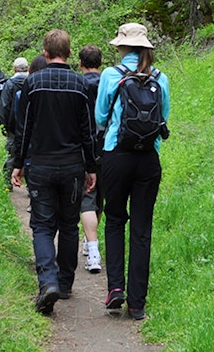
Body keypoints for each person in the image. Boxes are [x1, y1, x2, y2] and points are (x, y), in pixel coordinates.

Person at [11, 29, 96, 315]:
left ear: (45, 53)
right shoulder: (79, 84)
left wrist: (18, 163)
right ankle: (66, 282)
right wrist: (91, 166)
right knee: (70, 225)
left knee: (43, 225)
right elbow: (87, 132)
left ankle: (48, 282)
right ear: (70, 53)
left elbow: (24, 130)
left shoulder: (32, 83)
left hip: (42, 164)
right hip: (72, 165)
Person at [95, 23, 170, 320]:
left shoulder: (111, 75)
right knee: (141, 229)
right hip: (148, 160)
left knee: (114, 220)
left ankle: (115, 289)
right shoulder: (160, 78)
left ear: (121, 47)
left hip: (116, 156)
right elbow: (162, 119)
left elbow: (101, 115)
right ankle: (137, 303)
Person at [78, 44, 104, 274]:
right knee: (100, 196)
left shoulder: (77, 84)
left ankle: (92, 250)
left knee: (88, 196)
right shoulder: (110, 82)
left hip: (83, 147)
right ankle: (90, 241)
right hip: (108, 146)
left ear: (80, 63)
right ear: (101, 62)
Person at [0, 57, 29, 186]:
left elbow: (4, 106)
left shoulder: (10, 83)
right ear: (27, 68)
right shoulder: (31, 81)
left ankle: (8, 182)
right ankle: (30, 187)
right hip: (29, 125)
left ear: (14, 68)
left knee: (12, 153)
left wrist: (5, 125)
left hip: (13, 125)